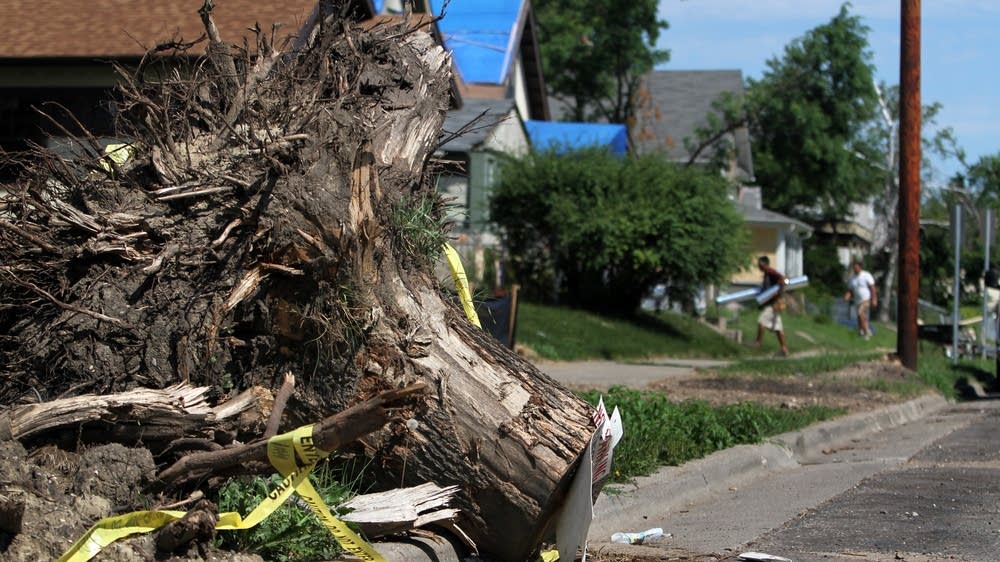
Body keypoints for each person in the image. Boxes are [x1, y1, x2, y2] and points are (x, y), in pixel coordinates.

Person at [752, 256, 789, 356]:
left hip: (773, 304)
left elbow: (783, 279)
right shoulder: (767, 273)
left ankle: (758, 343)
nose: (759, 267)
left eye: (760, 265)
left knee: (761, 321)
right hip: (774, 304)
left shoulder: (770, 271)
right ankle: (784, 349)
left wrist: (778, 295)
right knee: (778, 328)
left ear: (765, 264)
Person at [844, 260, 877, 339]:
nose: (855, 269)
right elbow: (850, 290)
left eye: (856, 267)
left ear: (860, 267)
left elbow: (872, 287)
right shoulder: (853, 279)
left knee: (860, 313)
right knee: (860, 317)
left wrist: (874, 299)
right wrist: (847, 296)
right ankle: (862, 331)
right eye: (854, 268)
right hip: (857, 301)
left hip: (866, 299)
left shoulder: (866, 275)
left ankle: (866, 333)